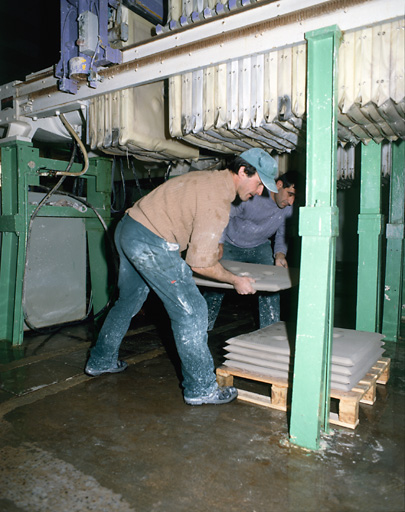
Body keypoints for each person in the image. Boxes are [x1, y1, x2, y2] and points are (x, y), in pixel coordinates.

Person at [84, 148, 278, 406]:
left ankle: (101, 360)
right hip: (150, 240)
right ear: (243, 171)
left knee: (129, 299)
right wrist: (235, 279)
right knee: (192, 310)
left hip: (128, 228)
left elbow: (185, 226)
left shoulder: (207, 179)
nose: (260, 192)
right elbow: (199, 263)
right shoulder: (218, 199)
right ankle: (201, 388)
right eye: (258, 183)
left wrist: (209, 250)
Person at [204, 169, 300, 331]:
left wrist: (280, 254)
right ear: (278, 185)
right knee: (216, 285)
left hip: (259, 247)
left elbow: (282, 233)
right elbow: (223, 215)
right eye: (289, 194)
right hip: (230, 245)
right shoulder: (252, 197)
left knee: (271, 287)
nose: (291, 202)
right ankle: (202, 328)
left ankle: (269, 331)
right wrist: (218, 243)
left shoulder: (288, 208)